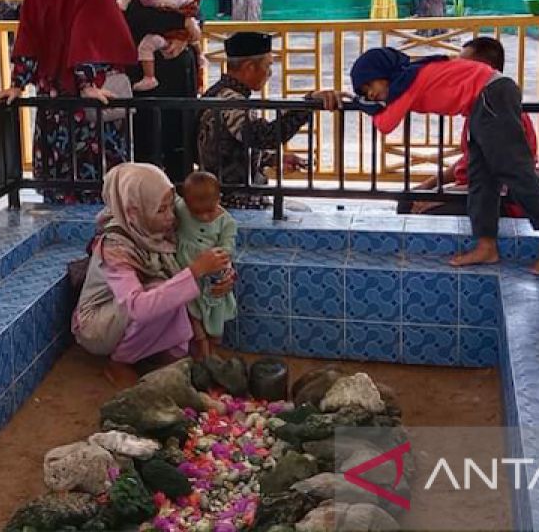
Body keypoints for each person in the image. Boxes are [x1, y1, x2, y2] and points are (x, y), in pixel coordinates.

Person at [350, 46, 539, 274]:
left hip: (492, 94)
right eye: (364, 93)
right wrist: (368, 102)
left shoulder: (410, 81)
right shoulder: (408, 79)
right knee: (481, 178)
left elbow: (385, 124)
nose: (370, 95)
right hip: (478, 105)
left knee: (511, 165)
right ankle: (486, 246)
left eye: (369, 86)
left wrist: (359, 103)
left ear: (384, 73)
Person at [0, 0, 137, 203]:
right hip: (54, 95)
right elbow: (29, 37)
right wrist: (17, 85)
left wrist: (87, 84)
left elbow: (90, 38)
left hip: (93, 95)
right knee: (57, 169)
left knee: (94, 173)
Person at [72, 163, 233, 386]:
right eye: (161, 210)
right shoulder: (115, 247)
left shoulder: (154, 222)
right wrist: (196, 270)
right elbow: (137, 307)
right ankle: (120, 363)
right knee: (165, 290)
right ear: (133, 211)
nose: (171, 216)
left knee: (171, 287)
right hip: (99, 325)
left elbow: (206, 233)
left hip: (130, 316)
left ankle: (164, 355)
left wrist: (224, 272)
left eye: (170, 206)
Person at [198, 32, 349, 209]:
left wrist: (273, 159)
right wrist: (307, 105)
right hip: (236, 201)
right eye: (268, 66)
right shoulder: (230, 100)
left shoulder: (218, 93)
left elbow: (231, 148)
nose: (270, 73)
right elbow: (263, 137)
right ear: (249, 67)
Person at [399, 37, 539, 216]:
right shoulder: (479, 106)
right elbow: (467, 161)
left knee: (426, 211)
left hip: (505, 202)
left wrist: (441, 195)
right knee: (407, 200)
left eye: (465, 68)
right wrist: (429, 185)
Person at [114, 0, 200, 183]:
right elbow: (137, 20)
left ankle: (182, 193)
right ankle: (149, 198)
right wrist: (181, 25)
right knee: (149, 135)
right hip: (146, 71)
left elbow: (197, 12)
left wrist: (184, 37)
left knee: (178, 132)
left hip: (177, 68)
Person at [177, 171, 237, 360]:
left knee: (216, 314)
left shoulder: (226, 222)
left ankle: (213, 347)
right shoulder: (180, 209)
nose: (203, 217)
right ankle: (202, 348)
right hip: (189, 274)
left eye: (209, 210)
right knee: (191, 312)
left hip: (212, 278)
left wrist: (222, 262)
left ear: (218, 199)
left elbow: (228, 247)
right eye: (197, 212)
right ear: (186, 202)